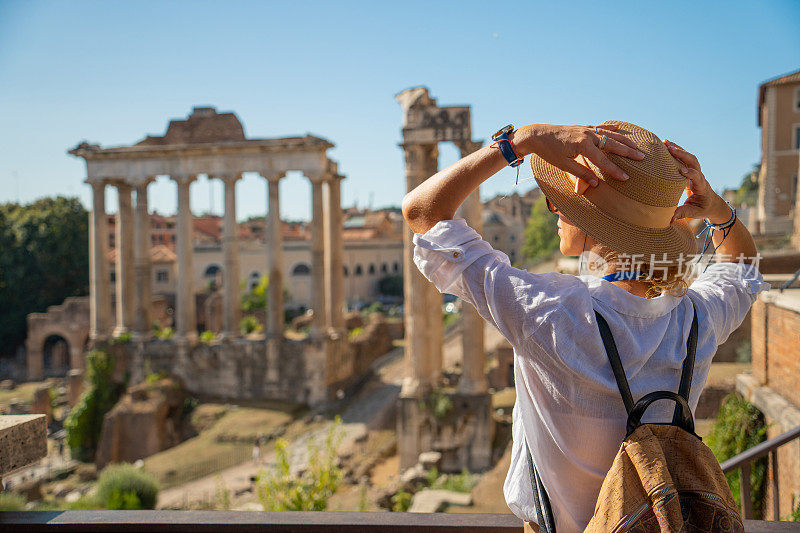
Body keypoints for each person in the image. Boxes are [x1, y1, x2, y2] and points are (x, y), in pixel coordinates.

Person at [401, 121, 768, 532]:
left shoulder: (547, 313)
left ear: (590, 219)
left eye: (560, 203)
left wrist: (518, 143)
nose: (554, 210)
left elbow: (422, 211)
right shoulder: (698, 318)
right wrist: (717, 208)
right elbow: (743, 268)